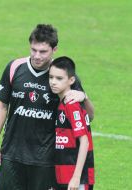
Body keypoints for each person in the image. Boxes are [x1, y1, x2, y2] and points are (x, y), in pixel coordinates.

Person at [0, 24, 94, 190]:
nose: (37, 56)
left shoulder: (62, 77)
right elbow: (2, 106)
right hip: (11, 155)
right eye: (33, 50)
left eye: (43, 51)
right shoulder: (15, 68)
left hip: (46, 161)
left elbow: (87, 117)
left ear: (54, 49)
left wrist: (84, 97)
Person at [49, 56, 94, 190]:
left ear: (71, 80)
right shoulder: (61, 103)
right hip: (63, 174)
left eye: (59, 78)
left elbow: (84, 141)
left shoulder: (71, 105)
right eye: (51, 77)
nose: (53, 82)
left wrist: (76, 177)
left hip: (76, 178)